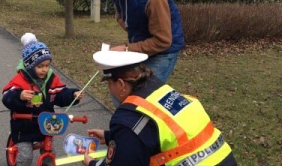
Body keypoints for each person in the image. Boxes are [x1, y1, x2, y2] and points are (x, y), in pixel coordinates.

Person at [82, 50, 237, 166]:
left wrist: (93, 164)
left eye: (110, 84)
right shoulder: (159, 89)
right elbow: (153, 131)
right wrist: (111, 136)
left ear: (122, 85)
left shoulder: (128, 117)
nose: (110, 89)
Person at [97, 0, 185, 85]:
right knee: (119, 86)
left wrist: (126, 49)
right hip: (140, 48)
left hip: (162, 53)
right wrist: (122, 19)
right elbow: (122, 14)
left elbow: (162, 41)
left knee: (141, 95)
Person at [2, 33, 84, 166]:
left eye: (47, 65)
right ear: (29, 65)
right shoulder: (20, 80)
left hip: (46, 125)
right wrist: (20, 95)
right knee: (26, 156)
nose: (44, 70)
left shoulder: (51, 79)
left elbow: (60, 93)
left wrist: (73, 95)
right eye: (40, 66)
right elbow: (7, 96)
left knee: (49, 154)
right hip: (24, 126)